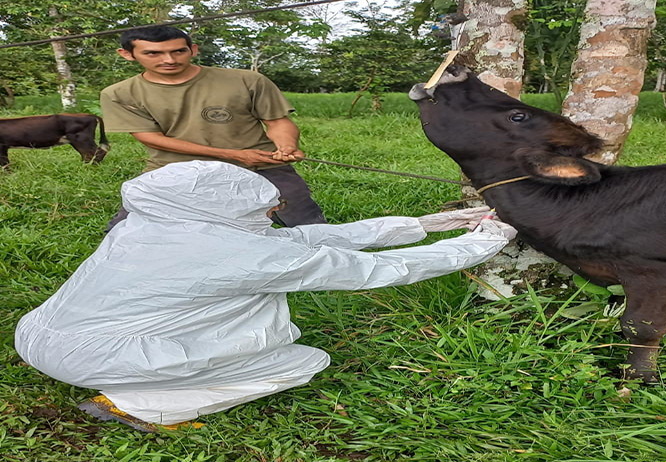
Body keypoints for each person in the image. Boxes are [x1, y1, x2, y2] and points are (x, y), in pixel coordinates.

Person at [15, 161, 517, 432]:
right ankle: (139, 404)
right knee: (300, 361)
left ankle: (135, 387)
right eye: (263, 203)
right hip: (99, 356)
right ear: (219, 208)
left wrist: (427, 224)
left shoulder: (153, 226)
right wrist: (481, 242)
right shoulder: (233, 250)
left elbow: (303, 240)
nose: (277, 206)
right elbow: (371, 271)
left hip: (40, 336)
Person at [100, 25, 325, 229]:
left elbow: (277, 122)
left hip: (261, 165)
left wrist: (286, 146)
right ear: (127, 54)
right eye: (153, 53)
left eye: (179, 51)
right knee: (125, 228)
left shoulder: (246, 79)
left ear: (193, 49)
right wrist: (233, 155)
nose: (169, 59)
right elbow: (150, 137)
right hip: (173, 168)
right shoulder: (119, 93)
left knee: (306, 223)